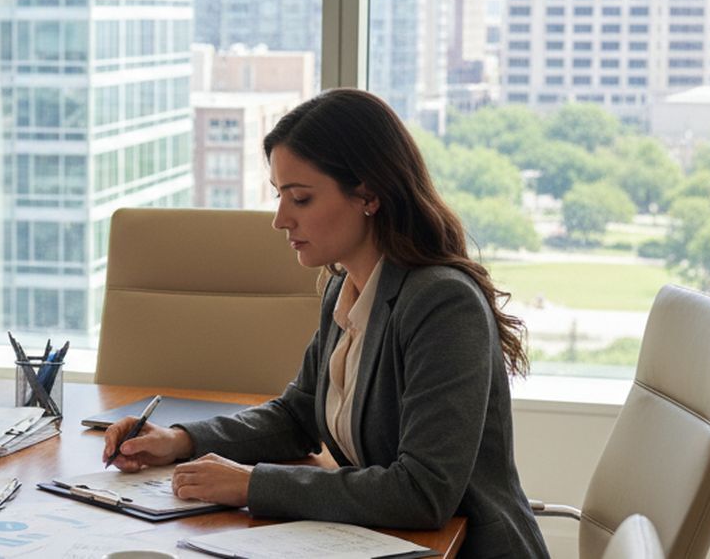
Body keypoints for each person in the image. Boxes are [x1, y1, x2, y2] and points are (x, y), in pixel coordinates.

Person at [101, 89, 548, 559]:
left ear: (369, 195)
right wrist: (181, 440)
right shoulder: (345, 287)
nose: (279, 219)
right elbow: (298, 415)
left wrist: (253, 485)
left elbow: (423, 492)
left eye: (300, 198)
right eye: (279, 196)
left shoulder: (442, 303)